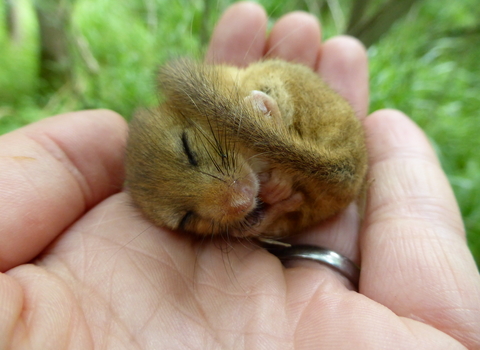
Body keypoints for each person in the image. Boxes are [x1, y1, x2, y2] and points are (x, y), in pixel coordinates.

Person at [1, 2, 479, 348]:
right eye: (188, 218)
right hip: (322, 192)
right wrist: (280, 206)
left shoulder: (230, 89)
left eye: (189, 151)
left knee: (263, 81)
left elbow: (237, 88)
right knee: (271, 213)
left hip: (313, 130)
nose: (222, 202)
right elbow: (272, 212)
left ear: (183, 117)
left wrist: (266, 116)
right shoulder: (235, 214)